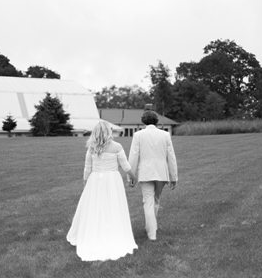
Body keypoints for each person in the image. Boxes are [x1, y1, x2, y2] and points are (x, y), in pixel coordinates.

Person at [67, 120, 138, 261]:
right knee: (113, 206)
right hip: (112, 180)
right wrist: (133, 177)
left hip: (95, 180)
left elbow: (87, 169)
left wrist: (86, 182)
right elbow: (125, 166)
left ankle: (95, 233)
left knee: (95, 207)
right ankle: (113, 232)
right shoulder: (117, 146)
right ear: (108, 132)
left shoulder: (92, 147)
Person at [128, 109, 178, 241]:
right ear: (156, 121)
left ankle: (152, 232)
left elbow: (133, 156)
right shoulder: (165, 135)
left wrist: (130, 176)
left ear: (143, 121)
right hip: (161, 172)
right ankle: (152, 229)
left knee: (148, 202)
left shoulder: (138, 135)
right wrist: (174, 177)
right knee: (155, 200)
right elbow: (171, 157)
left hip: (145, 172)